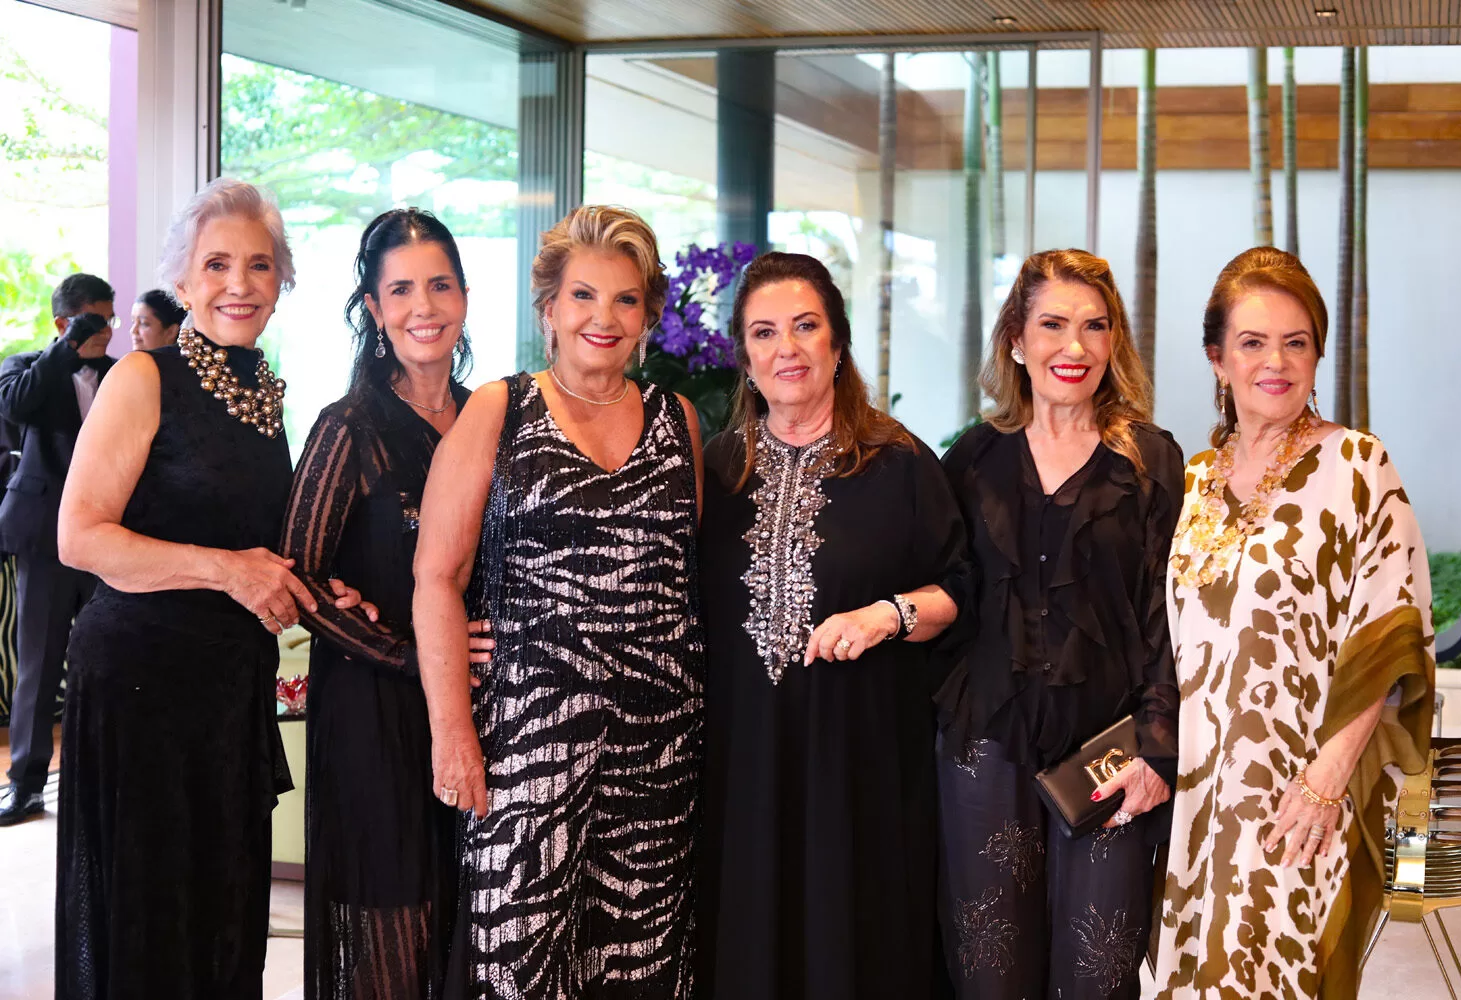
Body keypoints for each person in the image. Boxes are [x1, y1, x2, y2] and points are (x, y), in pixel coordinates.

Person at [52, 177, 364, 998]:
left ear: (281, 281)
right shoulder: (144, 376)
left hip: (227, 690)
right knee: (155, 927)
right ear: (182, 283)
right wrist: (229, 571)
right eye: (216, 264)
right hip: (142, 689)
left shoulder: (262, 392)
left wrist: (327, 587)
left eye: (259, 265)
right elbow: (79, 538)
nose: (239, 284)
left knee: (223, 922)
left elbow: (254, 539)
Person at [413, 204, 703, 998]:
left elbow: (690, 583)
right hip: (528, 748)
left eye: (625, 299)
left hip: (659, 754)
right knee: (518, 958)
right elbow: (436, 577)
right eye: (582, 296)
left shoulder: (677, 421)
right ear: (548, 308)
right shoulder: (500, 408)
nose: (602, 318)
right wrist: (453, 733)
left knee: (641, 959)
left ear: (648, 315)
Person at [1151, 248, 1434, 1000]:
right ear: (1217, 359)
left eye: (1296, 342)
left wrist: (1325, 782)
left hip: (1300, 795)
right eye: (1252, 342)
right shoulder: (1190, 481)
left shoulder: (1358, 466)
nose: (1275, 362)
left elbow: (1392, 636)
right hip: (1196, 800)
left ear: (1316, 354)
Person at [695, 251, 968, 1000]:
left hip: (862, 769)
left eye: (805, 326)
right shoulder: (716, 470)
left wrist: (887, 615)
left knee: (854, 946)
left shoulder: (899, 463)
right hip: (743, 770)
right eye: (764, 333)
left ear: (837, 343)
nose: (786, 348)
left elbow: (958, 591)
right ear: (744, 355)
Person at [934, 249, 1181, 1000]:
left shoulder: (1150, 460)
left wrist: (1159, 747)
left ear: (1114, 342)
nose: (1074, 347)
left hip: (1111, 752)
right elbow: (946, 592)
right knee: (990, 972)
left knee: (1097, 972)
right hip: (986, 744)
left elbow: (1170, 614)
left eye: (1094, 326)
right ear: (1016, 339)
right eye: (1052, 325)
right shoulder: (973, 459)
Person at [282, 208, 490, 999]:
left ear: (464, 296)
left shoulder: (491, 419)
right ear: (373, 308)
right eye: (400, 290)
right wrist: (413, 655)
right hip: (375, 713)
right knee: (394, 941)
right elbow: (299, 579)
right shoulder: (349, 428)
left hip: (482, 711)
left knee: (469, 931)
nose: (423, 307)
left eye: (440, 285)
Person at [0, 272, 115, 826]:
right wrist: (66, 350)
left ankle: (100, 780)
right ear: (64, 323)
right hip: (46, 539)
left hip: (109, 542)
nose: (106, 330)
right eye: (95, 320)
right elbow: (15, 407)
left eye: (110, 319)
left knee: (108, 661)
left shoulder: (122, 375)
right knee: (40, 665)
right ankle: (25, 785)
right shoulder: (26, 367)